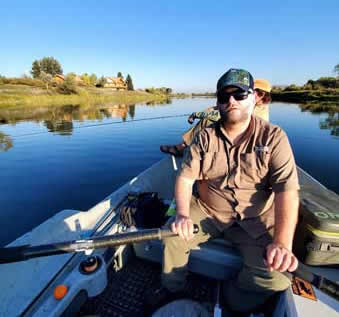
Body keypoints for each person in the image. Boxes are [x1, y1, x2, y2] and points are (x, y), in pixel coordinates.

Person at [147, 69, 300, 314]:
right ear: (217, 102)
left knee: (279, 277)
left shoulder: (274, 137)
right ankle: (172, 289)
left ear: (254, 98)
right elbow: (185, 179)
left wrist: (282, 243)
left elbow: (287, 192)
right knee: (171, 235)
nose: (231, 101)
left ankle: (229, 298)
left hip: (255, 222)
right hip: (208, 211)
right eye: (224, 96)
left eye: (240, 94)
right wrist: (183, 215)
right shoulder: (204, 138)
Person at [160, 79, 272, 157]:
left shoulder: (259, 110)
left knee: (208, 121)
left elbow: (223, 115)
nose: (256, 95)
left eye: (260, 93)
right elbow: (215, 109)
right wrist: (196, 114)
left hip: (243, 140)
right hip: (232, 132)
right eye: (253, 91)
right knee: (209, 119)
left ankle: (182, 147)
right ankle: (193, 148)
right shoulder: (244, 101)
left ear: (265, 96)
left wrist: (201, 116)